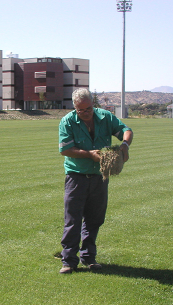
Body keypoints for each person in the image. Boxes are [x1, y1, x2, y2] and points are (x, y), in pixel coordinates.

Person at [58, 88, 133, 274]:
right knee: (72, 219)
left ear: (94, 104)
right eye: (80, 110)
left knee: (95, 219)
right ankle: (68, 260)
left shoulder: (105, 117)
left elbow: (126, 130)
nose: (84, 113)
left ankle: (89, 257)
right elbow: (65, 149)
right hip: (76, 176)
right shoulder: (67, 121)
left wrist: (124, 145)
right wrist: (88, 155)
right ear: (75, 107)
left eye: (88, 109)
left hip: (100, 177)